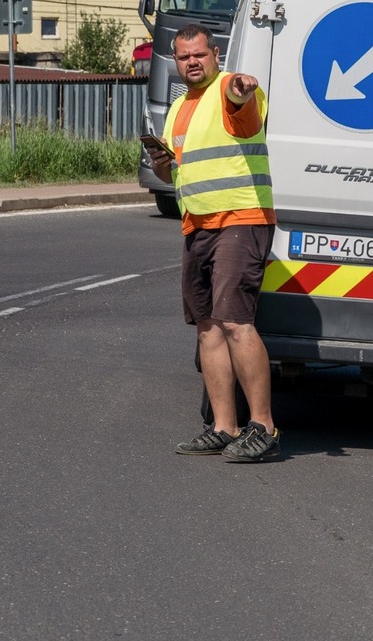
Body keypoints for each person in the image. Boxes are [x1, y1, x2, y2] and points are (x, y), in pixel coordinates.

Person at [148, 23, 281, 463]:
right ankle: (225, 426)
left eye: (199, 55)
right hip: (197, 226)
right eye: (184, 57)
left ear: (216, 54)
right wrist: (162, 162)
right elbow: (173, 175)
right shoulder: (180, 107)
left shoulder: (229, 89)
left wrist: (243, 89)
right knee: (207, 326)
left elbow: (242, 103)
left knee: (234, 321)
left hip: (240, 219)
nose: (192, 62)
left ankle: (264, 425)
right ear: (175, 60)